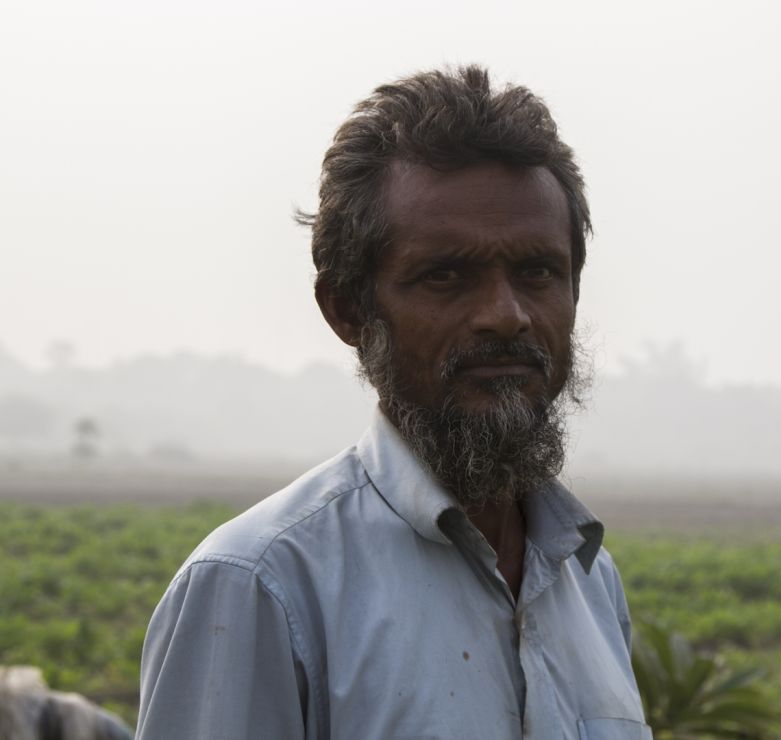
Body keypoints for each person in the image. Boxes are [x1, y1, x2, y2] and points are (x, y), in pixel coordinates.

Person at [136, 65, 650, 740]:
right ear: (349, 310)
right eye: (446, 275)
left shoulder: (587, 581)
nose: (506, 315)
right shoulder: (261, 587)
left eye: (537, 271)